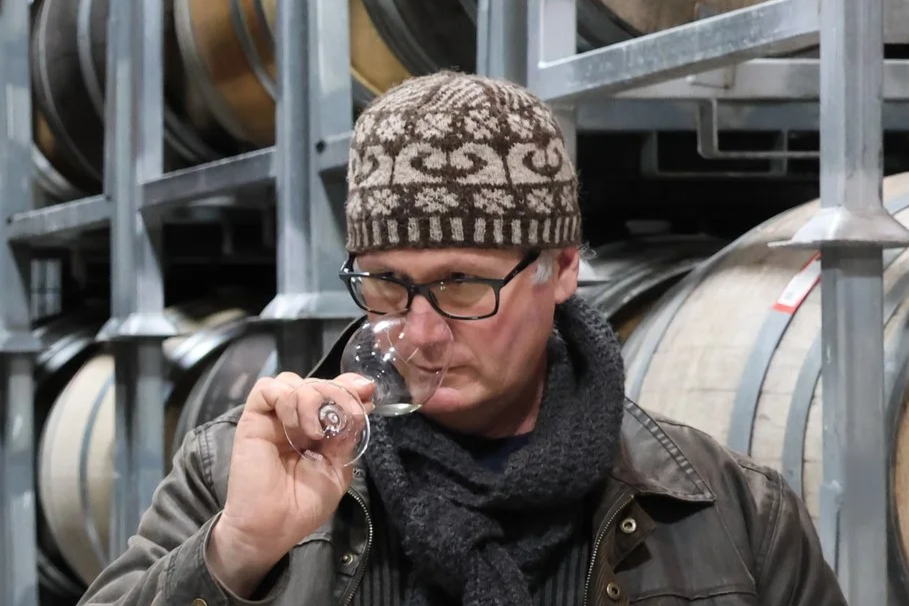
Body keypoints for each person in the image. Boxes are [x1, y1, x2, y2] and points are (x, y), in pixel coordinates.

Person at [78, 71, 846, 606]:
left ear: (562, 266)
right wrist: (236, 551)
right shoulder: (232, 473)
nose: (417, 332)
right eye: (384, 282)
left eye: (460, 284)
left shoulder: (724, 510)